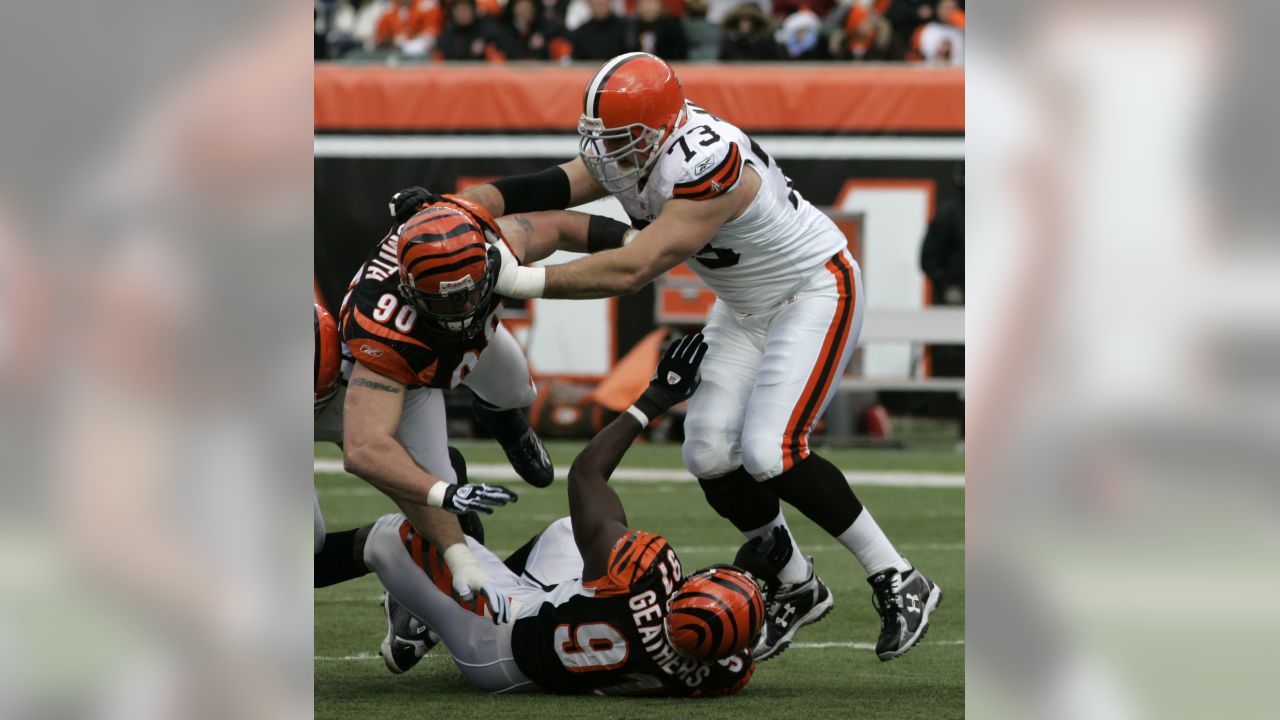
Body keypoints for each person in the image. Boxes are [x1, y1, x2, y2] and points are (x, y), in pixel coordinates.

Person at [392, 53, 942, 662]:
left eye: (620, 140)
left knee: (769, 451)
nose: (605, 154)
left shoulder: (707, 162)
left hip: (811, 290)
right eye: (603, 138)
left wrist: (514, 280)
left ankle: (896, 575)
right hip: (743, 307)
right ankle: (793, 582)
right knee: (706, 451)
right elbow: (551, 183)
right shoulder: (644, 150)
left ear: (659, 128)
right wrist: (457, 206)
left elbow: (634, 266)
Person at [360, 334, 775, 694]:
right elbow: (728, 636)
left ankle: (420, 618)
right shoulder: (724, 673)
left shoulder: (643, 575)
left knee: (391, 534)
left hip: (494, 645)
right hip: (558, 651)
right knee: (565, 534)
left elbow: (586, 474)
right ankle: (451, 598)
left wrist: (657, 398)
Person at [315, 196, 640, 601]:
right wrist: (444, 498)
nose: (462, 309)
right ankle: (409, 601)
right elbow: (365, 448)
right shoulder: (387, 330)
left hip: (460, 347)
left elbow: (558, 222)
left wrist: (633, 239)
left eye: (470, 294)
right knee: (441, 512)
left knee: (517, 389)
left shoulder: (488, 244)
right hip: (418, 369)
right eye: (445, 300)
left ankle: (501, 419)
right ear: (409, 287)